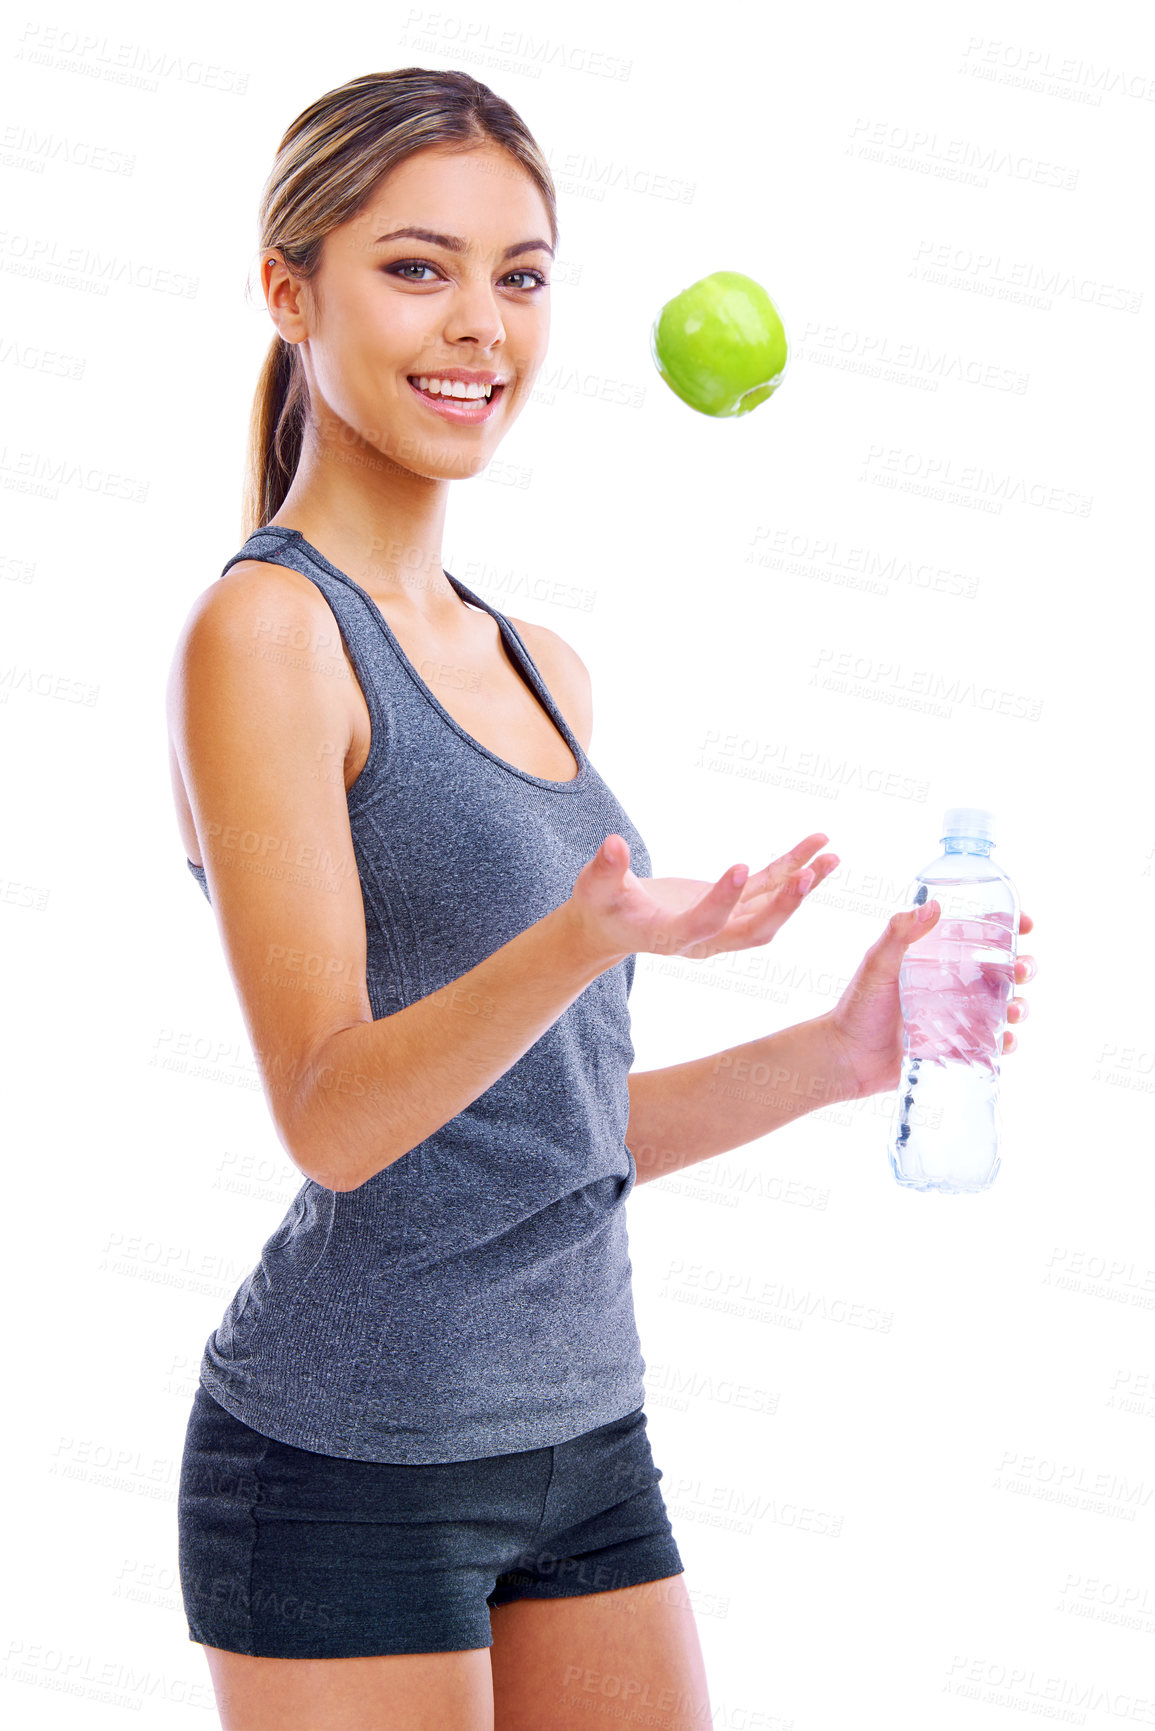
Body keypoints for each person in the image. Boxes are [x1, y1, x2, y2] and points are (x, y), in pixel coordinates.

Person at [167, 67, 1037, 1731]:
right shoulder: (268, 639)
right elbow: (337, 1120)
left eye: (522, 273)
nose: (479, 325)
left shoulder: (540, 665)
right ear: (292, 292)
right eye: (417, 268)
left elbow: (552, 1136)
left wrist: (840, 1053)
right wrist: (582, 938)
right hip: (350, 1458)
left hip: (584, 1442)